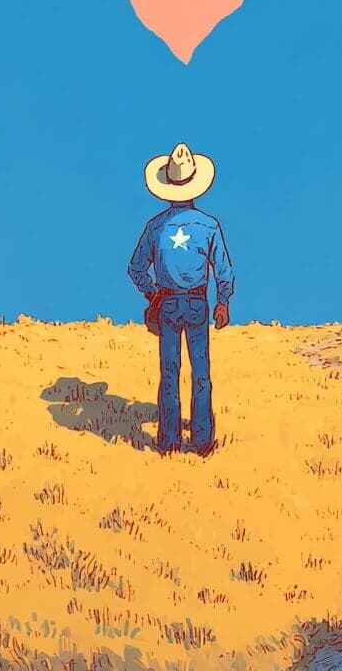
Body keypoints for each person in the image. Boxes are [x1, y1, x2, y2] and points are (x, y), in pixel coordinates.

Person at [127, 142, 234, 456]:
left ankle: (169, 441)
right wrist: (223, 301)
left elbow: (135, 268)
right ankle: (202, 441)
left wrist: (152, 293)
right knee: (201, 372)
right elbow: (223, 269)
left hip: (168, 303)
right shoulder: (209, 225)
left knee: (169, 373)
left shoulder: (155, 226)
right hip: (198, 302)